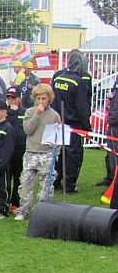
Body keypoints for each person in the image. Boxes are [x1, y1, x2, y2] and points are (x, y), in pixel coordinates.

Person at [15, 84, 61, 221]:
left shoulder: (54, 116)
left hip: (47, 154)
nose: (41, 101)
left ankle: (41, 212)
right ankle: (23, 210)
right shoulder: (29, 112)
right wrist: (37, 114)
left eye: (44, 98)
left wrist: (55, 154)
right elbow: (28, 130)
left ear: (49, 99)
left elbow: (58, 138)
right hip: (31, 153)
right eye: (38, 98)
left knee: (45, 186)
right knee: (25, 184)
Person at [51, 49, 92, 193]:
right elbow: (82, 107)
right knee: (73, 156)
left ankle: (54, 181)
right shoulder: (78, 81)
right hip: (73, 125)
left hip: (57, 122)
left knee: (57, 153)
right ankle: (69, 185)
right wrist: (87, 128)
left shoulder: (57, 78)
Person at [5, 86, 26, 212]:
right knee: (6, 177)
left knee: (19, 177)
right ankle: (5, 202)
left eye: (13, 97)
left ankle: (15, 203)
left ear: (19, 98)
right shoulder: (4, 111)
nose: (10, 100)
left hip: (20, 149)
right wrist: (11, 112)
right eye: (8, 97)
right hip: (7, 150)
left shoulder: (25, 112)